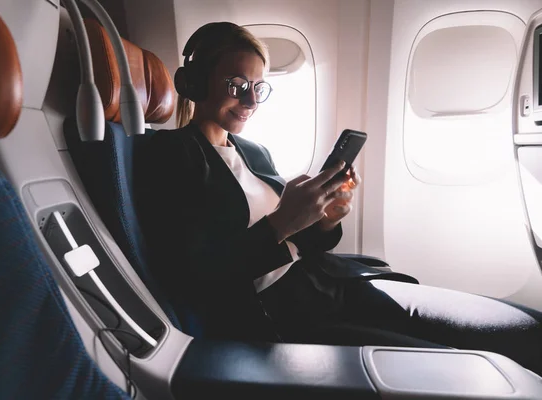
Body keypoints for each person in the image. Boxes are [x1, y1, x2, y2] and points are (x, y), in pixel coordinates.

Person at [134, 21, 542, 374]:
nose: (251, 100)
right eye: (236, 85)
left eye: (258, 87)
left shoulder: (253, 151)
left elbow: (303, 244)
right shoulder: (168, 155)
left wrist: (326, 218)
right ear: (193, 83)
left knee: (524, 329)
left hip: (331, 283)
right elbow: (196, 277)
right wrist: (283, 222)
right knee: (466, 367)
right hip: (286, 316)